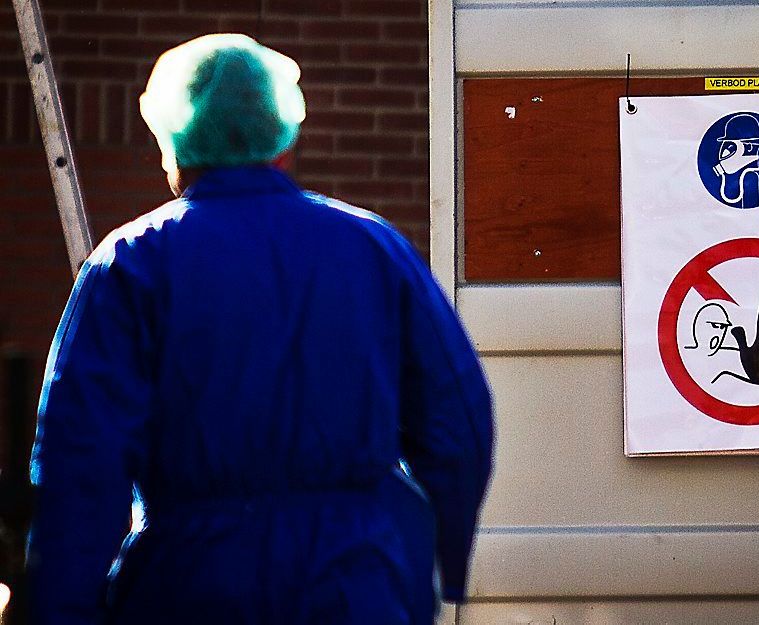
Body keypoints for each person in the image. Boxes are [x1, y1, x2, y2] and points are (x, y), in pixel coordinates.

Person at [26, 34, 493, 625]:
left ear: (176, 142)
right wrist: (443, 559)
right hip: (357, 584)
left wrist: (58, 608)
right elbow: (459, 418)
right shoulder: (373, 249)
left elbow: (81, 464)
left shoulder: (132, 264)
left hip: (191, 588)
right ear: (284, 137)